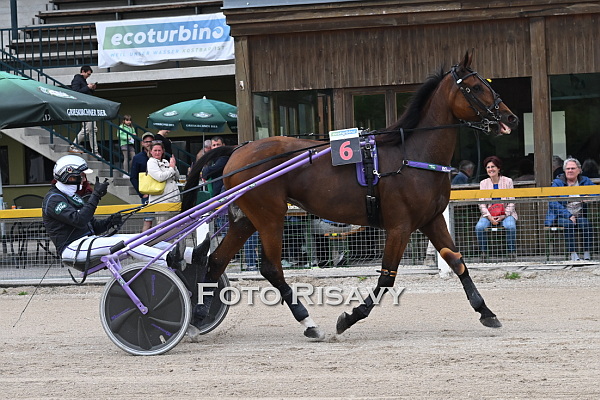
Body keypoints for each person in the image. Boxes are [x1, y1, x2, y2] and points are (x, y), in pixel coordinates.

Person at [42, 155, 201, 269]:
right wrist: (95, 196)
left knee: (141, 238)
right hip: (72, 249)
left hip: (87, 241)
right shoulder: (54, 200)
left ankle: (192, 255)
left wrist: (109, 222)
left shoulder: (73, 197)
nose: (84, 180)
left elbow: (92, 227)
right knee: (125, 244)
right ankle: (168, 260)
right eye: (81, 176)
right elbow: (79, 220)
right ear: (69, 176)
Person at [544, 157, 595, 261]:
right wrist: (569, 215)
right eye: (568, 169)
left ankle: (587, 254)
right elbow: (552, 202)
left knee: (586, 224)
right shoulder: (558, 182)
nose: (570, 171)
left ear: (579, 170)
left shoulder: (585, 181)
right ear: (564, 170)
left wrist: (588, 197)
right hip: (562, 216)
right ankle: (573, 254)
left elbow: (597, 192)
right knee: (569, 224)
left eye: (573, 168)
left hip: (579, 215)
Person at [475, 156, 518, 258]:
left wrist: (504, 215)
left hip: (506, 214)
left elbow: (512, 201)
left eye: (493, 166)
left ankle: (511, 252)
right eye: (488, 167)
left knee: (510, 226)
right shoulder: (483, 183)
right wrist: (489, 216)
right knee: (479, 227)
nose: (490, 169)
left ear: (499, 168)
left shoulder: (508, 181)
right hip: (488, 215)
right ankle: (484, 253)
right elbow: (481, 203)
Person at [69, 66, 100, 157]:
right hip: (83, 107)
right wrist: (87, 87)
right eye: (87, 74)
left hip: (87, 106)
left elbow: (85, 92)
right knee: (88, 129)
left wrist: (91, 88)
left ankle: (94, 151)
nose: (88, 76)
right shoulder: (77, 79)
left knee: (92, 129)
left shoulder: (82, 80)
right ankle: (74, 146)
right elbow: (75, 92)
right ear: (83, 71)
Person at [130, 132, 155, 231]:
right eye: (146, 141)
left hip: (160, 191)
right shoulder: (137, 158)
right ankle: (144, 239)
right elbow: (133, 177)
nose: (149, 143)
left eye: (151, 141)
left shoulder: (159, 155)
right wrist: (142, 193)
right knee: (148, 220)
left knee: (162, 219)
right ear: (142, 143)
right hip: (147, 192)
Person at [147, 141, 180, 206]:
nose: (157, 153)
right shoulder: (151, 162)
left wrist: (174, 166)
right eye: (155, 150)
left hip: (174, 197)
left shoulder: (165, 161)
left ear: (163, 151)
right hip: (160, 200)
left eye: (159, 150)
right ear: (150, 151)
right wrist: (171, 168)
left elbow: (177, 177)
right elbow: (160, 177)